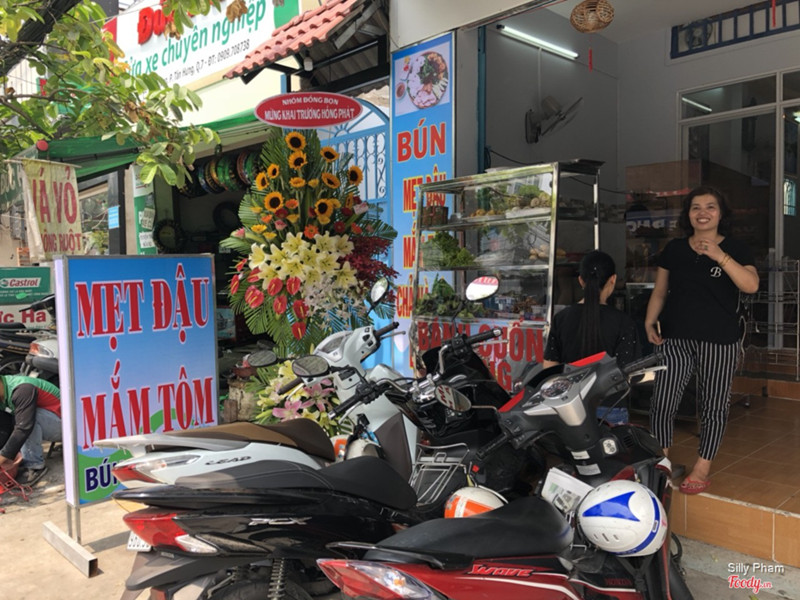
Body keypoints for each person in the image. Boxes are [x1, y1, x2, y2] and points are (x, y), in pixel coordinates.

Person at [644, 185, 759, 495]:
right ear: (688, 214)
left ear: (721, 214)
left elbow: (750, 285)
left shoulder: (736, 248)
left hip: (719, 340)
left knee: (713, 405)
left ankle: (702, 466)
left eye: (710, 207)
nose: (703, 212)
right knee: (662, 401)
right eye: (696, 207)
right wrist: (649, 320)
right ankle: (661, 463)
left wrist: (719, 255)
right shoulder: (674, 249)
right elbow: (660, 291)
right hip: (675, 338)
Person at [543, 249, 640, 370]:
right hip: (611, 384)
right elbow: (631, 372)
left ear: (580, 280)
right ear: (613, 279)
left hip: (568, 383)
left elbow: (549, 368)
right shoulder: (624, 323)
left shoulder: (561, 319)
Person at [0, 374, 62, 486]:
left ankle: (34, 465)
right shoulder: (3, 392)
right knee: (14, 418)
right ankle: (18, 458)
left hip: (65, 425)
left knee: (26, 420)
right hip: (48, 421)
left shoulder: (22, 389)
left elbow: (23, 428)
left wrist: (3, 457)